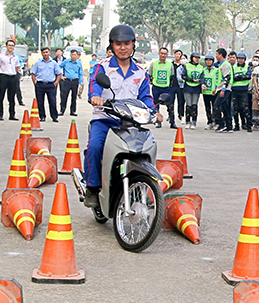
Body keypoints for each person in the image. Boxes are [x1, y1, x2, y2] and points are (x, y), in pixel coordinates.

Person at [83, 25, 162, 207]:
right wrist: (95, 97)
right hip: (105, 119)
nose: (123, 47)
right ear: (112, 46)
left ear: (133, 44)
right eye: (118, 44)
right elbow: (95, 85)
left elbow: (145, 98)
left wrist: (154, 112)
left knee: (145, 148)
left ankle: (142, 185)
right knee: (95, 147)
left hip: (130, 122)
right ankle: (92, 188)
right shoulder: (102, 67)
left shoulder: (141, 73)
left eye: (127, 43)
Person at [29, 46, 62, 122]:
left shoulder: (53, 63)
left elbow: (59, 73)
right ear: (41, 53)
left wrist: (56, 82)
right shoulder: (38, 63)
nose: (45, 54)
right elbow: (33, 73)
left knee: (52, 101)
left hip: (51, 85)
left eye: (47, 52)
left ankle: (54, 116)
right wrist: (35, 83)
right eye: (44, 52)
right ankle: (42, 116)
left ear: (49, 53)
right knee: (40, 102)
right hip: (40, 85)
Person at [148, 47, 176, 129]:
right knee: (156, 105)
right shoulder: (154, 64)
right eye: (162, 53)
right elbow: (150, 75)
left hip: (166, 88)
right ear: (159, 54)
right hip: (156, 87)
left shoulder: (170, 65)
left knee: (170, 106)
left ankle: (172, 122)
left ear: (167, 55)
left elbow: (172, 76)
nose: (163, 55)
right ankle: (158, 122)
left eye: (165, 53)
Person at [0, 40, 21, 121]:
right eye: (9, 45)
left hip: (13, 77)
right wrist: (1, 74)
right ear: (6, 46)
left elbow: (17, 68)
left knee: (12, 97)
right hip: (4, 77)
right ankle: (0, 115)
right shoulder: (1, 56)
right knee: (1, 96)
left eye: (12, 45)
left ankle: (12, 115)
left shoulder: (16, 57)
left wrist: (13, 73)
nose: (11, 47)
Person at [212, 48, 234, 132]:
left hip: (225, 89)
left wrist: (223, 89)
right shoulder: (220, 65)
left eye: (217, 54)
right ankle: (229, 126)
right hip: (220, 88)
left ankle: (221, 124)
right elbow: (219, 78)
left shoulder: (225, 64)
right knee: (225, 107)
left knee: (216, 106)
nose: (216, 56)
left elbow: (227, 78)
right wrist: (215, 88)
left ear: (221, 54)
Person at [230, 52, 252, 132]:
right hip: (235, 90)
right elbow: (232, 77)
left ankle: (248, 125)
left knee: (245, 108)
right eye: (239, 59)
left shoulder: (247, 67)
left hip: (244, 90)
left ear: (244, 60)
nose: (240, 60)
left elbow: (248, 76)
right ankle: (236, 125)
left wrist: (238, 77)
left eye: (242, 59)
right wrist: (242, 77)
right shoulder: (233, 67)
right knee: (236, 108)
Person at [182, 52, 203, 130]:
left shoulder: (201, 67)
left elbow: (202, 77)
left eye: (198, 58)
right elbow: (183, 76)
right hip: (188, 87)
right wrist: (192, 80)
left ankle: (194, 121)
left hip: (196, 88)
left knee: (194, 105)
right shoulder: (187, 66)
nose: (196, 59)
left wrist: (201, 82)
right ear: (192, 58)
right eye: (195, 58)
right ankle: (187, 121)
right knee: (188, 105)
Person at [59, 49, 84, 116]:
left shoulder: (79, 63)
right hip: (67, 81)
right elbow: (58, 67)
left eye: (75, 55)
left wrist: (81, 83)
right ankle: (62, 110)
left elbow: (81, 73)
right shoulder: (66, 62)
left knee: (74, 97)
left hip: (75, 81)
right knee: (64, 96)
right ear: (70, 55)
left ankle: (73, 111)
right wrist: (61, 76)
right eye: (72, 54)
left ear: (77, 55)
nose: (73, 56)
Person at [200, 54, 219, 129]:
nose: (208, 62)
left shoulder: (216, 70)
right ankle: (210, 121)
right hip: (206, 92)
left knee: (215, 107)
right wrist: (202, 84)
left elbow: (218, 80)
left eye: (210, 60)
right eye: (207, 60)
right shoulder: (203, 70)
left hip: (214, 92)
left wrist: (215, 88)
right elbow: (201, 79)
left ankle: (216, 122)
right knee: (207, 108)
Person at [173, 49, 185, 123]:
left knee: (181, 101)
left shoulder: (183, 66)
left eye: (179, 54)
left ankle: (181, 115)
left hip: (181, 86)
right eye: (176, 54)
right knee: (171, 102)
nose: (178, 55)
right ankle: (171, 115)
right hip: (172, 85)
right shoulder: (171, 64)